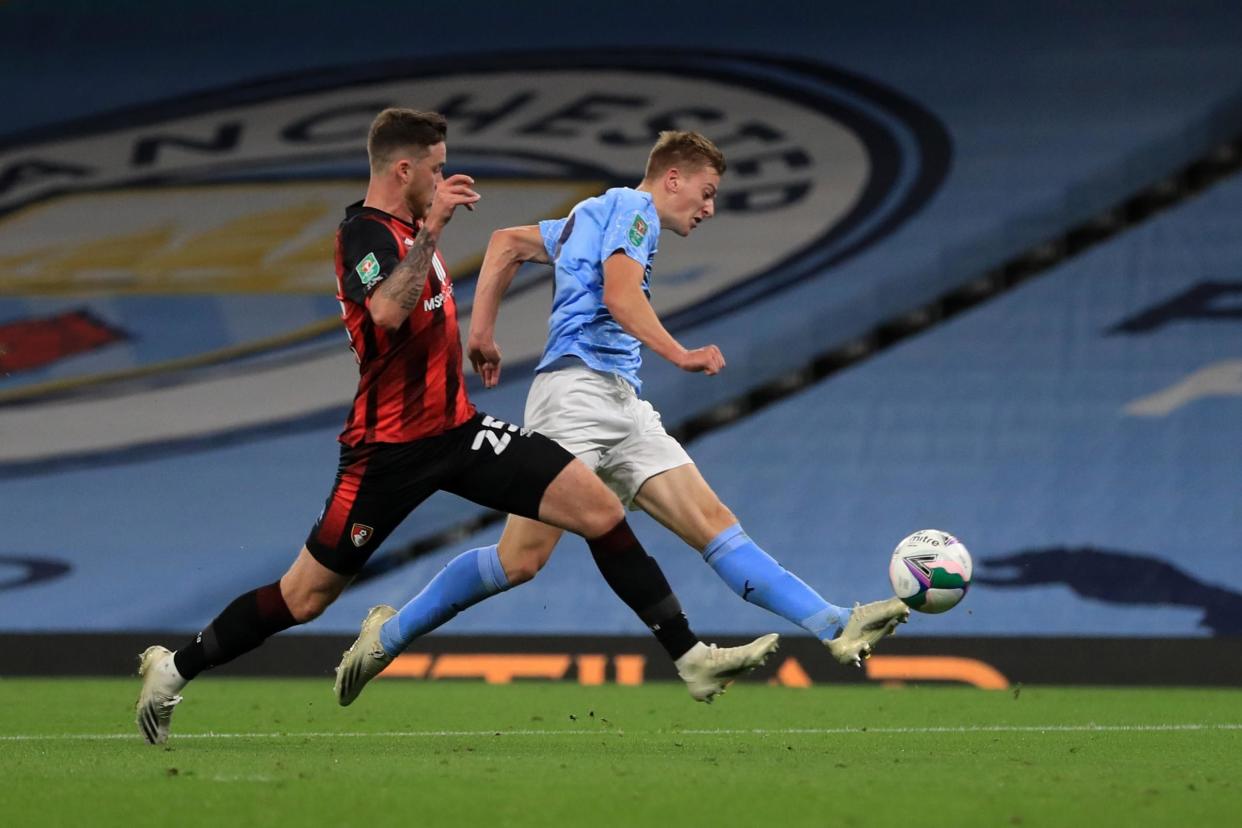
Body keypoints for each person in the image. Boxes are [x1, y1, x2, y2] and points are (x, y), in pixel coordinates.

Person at [135, 109, 780, 745]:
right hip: (386, 451)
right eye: (436, 169)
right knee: (303, 598)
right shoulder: (364, 232)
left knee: (597, 507)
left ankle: (689, 656)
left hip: (458, 431)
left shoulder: (413, 229)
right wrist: (434, 229)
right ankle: (173, 670)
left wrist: (479, 338)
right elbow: (387, 312)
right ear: (404, 167)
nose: (445, 180)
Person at [334, 130, 909, 708]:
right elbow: (620, 296)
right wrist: (681, 353)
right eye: (705, 193)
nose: (708, 208)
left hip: (620, 401)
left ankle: (835, 624)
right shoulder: (635, 212)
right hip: (575, 398)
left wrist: (482, 333)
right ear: (673, 179)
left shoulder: (597, 211)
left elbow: (507, 242)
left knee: (713, 521)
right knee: (521, 559)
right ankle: (386, 637)